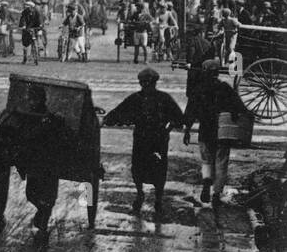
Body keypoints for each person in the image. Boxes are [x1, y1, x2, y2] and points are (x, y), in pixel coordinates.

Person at [103, 67, 185, 218]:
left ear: (141, 83)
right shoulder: (164, 98)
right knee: (159, 169)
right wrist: (167, 129)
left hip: (142, 139)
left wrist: (106, 119)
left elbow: (117, 114)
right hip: (159, 139)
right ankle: (158, 200)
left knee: (139, 168)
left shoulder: (136, 98)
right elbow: (179, 119)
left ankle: (140, 194)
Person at [183, 59, 251, 208]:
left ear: (204, 71)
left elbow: (190, 112)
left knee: (207, 161)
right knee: (221, 162)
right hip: (223, 132)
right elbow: (240, 108)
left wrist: (187, 130)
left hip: (205, 131)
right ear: (217, 72)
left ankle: (207, 183)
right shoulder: (225, 88)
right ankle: (216, 193)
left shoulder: (198, 89)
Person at [12, 83, 71, 239]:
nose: (31, 102)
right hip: (37, 161)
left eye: (34, 99)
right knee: (31, 194)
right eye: (30, 99)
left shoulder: (49, 117)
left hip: (48, 161)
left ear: (41, 100)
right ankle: (42, 212)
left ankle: (43, 216)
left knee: (47, 195)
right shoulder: (30, 116)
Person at [19, 0, 42, 65]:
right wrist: (23, 25)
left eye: (29, 7)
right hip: (26, 29)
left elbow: (39, 20)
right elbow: (22, 19)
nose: (28, 8)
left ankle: (36, 55)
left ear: (32, 7)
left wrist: (40, 26)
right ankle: (25, 58)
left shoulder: (36, 12)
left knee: (36, 41)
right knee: (25, 44)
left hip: (34, 28)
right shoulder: (24, 12)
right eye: (27, 7)